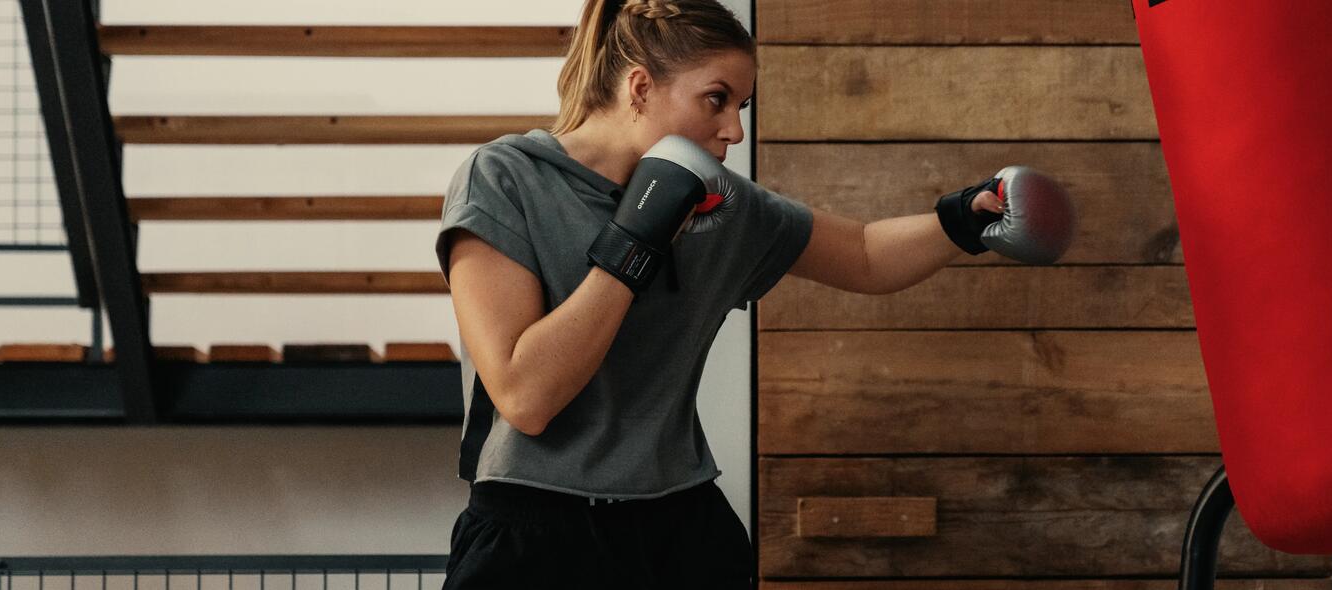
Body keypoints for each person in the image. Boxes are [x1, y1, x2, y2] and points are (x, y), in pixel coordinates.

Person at [432, 0, 1076, 587]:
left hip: (682, 532)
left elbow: (863, 254)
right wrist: (639, 237)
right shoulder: (505, 178)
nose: (734, 131)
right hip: (534, 534)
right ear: (640, 87)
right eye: (716, 100)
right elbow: (525, 396)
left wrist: (967, 217)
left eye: (741, 104)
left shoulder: (720, 205)